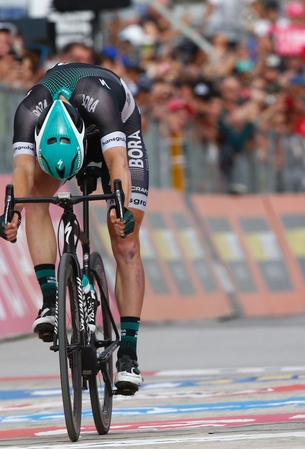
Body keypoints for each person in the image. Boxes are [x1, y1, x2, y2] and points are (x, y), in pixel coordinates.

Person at [2, 62, 149, 394]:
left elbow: (118, 163)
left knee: (125, 240)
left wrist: (120, 208)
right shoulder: (28, 111)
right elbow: (23, 171)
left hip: (117, 131)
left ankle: (128, 352)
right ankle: (51, 297)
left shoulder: (100, 99)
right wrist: (14, 212)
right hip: (62, 139)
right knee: (36, 197)